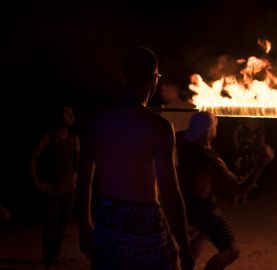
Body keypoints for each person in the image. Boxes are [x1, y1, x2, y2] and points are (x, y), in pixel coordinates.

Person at [77, 47, 193, 270]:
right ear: (154, 79)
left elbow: (83, 178)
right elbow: (169, 190)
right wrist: (185, 248)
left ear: (123, 75)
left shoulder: (97, 121)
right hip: (145, 227)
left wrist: (85, 226)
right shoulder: (159, 127)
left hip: (108, 221)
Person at [176, 112, 269, 269]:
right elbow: (241, 189)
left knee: (204, 233)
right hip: (202, 207)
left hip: (185, 201)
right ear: (209, 131)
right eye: (215, 124)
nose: (217, 124)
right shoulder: (211, 161)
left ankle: (186, 265)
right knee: (231, 250)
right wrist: (261, 163)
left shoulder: (180, 139)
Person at [30, 105, 80, 269]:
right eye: (67, 114)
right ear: (59, 116)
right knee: (50, 225)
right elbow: (33, 159)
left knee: (63, 225)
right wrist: (38, 182)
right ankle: (48, 258)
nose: (70, 117)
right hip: (53, 190)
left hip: (68, 190)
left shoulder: (74, 139)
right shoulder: (49, 137)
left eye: (71, 114)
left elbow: (79, 162)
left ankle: (55, 256)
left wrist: (75, 177)